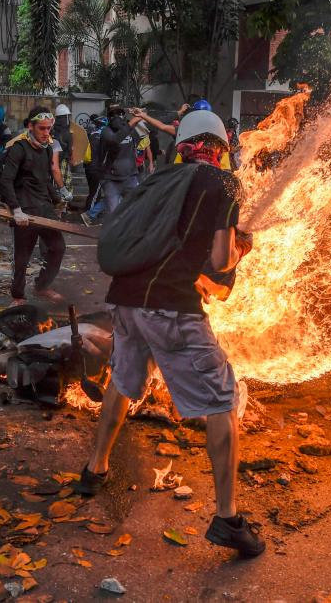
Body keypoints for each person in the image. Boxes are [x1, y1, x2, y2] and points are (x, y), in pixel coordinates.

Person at [78, 109, 263, 558]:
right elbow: (219, 264)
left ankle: (94, 468)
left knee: (123, 381)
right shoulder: (223, 184)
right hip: (172, 308)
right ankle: (227, 518)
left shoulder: (158, 180)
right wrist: (239, 247)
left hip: (126, 301)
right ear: (220, 147)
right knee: (222, 399)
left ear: (181, 144)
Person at [0, 106, 65, 306]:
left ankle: (42, 286)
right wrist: (16, 209)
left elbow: (44, 180)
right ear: (30, 126)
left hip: (44, 208)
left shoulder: (46, 149)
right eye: (42, 129)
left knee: (58, 247)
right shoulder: (18, 149)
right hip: (25, 210)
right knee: (22, 257)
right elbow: (5, 181)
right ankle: (18, 296)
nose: (46, 133)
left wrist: (58, 199)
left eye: (48, 129)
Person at [99, 103, 142, 213]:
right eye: (113, 114)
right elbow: (115, 140)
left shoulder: (131, 129)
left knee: (136, 212)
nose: (117, 117)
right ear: (109, 117)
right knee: (113, 215)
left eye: (119, 113)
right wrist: (131, 123)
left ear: (124, 114)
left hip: (130, 178)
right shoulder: (106, 132)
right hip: (111, 180)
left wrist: (178, 113)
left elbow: (156, 123)